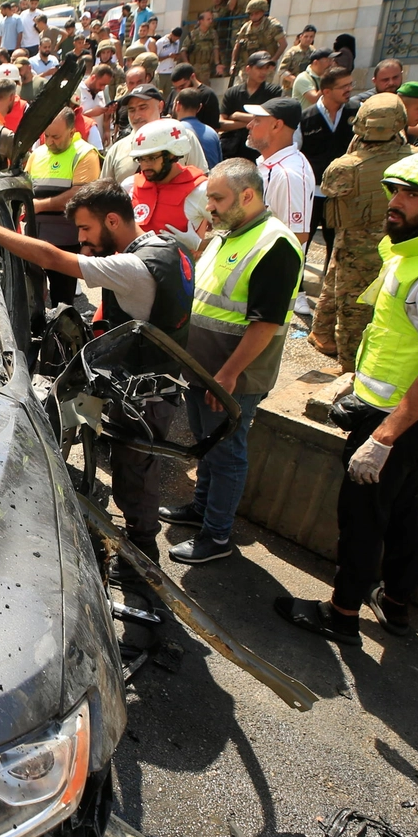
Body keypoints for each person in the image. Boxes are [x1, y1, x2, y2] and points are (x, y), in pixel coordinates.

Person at [276, 152, 418, 642]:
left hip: (400, 421)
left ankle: (342, 615)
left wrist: (384, 437)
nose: (396, 202)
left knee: (363, 520)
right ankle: (395, 603)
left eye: (412, 195)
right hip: (405, 413)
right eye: (396, 190)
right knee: (402, 510)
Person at [0, 180, 191, 560]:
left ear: (112, 220)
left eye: (86, 229)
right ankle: (139, 549)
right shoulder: (165, 246)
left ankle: (142, 564)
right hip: (159, 386)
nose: (81, 238)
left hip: (142, 398)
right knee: (138, 469)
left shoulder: (130, 265)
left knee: (133, 479)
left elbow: (54, 259)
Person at [163, 159, 302, 563]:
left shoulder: (273, 244)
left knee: (226, 454)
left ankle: (217, 536)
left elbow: (266, 323)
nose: (211, 208)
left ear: (247, 195)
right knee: (208, 447)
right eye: (210, 198)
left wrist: (228, 374)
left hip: (230, 376)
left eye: (218, 198)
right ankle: (202, 510)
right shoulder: (229, 233)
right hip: (206, 369)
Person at [308, 94, 418, 370]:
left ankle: (348, 368)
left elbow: (330, 187)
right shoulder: (417, 161)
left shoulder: (345, 166)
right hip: (399, 246)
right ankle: (326, 338)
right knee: (361, 301)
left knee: (351, 307)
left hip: (354, 246)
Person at [25, 108, 102, 308]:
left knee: (62, 300)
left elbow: (80, 194)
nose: (50, 141)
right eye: (47, 135)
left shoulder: (85, 153)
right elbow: (24, 186)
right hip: (34, 236)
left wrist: (39, 206)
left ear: (71, 131)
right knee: (32, 295)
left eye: (56, 137)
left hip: (66, 240)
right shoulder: (38, 153)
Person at [299, 68, 359, 264]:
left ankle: (331, 289)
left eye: (350, 84)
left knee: (338, 246)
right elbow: (297, 153)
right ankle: (298, 289)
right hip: (313, 193)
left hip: (344, 194)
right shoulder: (305, 118)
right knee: (302, 243)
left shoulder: (358, 112)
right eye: (343, 86)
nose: (349, 89)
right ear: (326, 91)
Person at [122, 119, 211, 247]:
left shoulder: (200, 190)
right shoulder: (129, 186)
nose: (145, 165)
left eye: (152, 158)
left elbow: (234, 236)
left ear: (172, 155)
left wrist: (199, 244)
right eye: (141, 159)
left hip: (180, 266)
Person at [101, 85, 209, 183]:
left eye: (143, 107)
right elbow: (104, 193)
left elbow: (201, 182)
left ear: (160, 106)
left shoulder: (183, 137)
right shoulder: (116, 150)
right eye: (131, 110)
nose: (136, 115)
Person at [246, 97, 316, 246]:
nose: (249, 125)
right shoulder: (269, 163)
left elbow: (297, 236)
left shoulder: (289, 175)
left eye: (257, 120)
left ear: (276, 126)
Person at [219, 52, 278, 161]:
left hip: (259, 153)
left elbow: (272, 120)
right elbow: (221, 124)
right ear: (248, 69)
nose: (264, 72)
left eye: (266, 68)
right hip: (232, 152)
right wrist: (253, 121)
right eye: (260, 68)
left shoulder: (274, 92)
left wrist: (237, 115)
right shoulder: (233, 93)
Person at [229, 0, 286, 82]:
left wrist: (273, 61)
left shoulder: (272, 25)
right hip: (248, 67)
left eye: (256, 13)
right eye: (251, 14)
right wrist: (233, 64)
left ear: (263, 12)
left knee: (262, 92)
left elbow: (283, 44)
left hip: (265, 67)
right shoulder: (246, 27)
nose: (253, 17)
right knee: (241, 91)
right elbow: (237, 46)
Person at [174, 88, 222, 168]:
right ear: (199, 108)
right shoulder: (213, 133)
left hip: (189, 179)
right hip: (211, 179)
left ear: (178, 105)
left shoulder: (175, 132)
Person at [168, 63, 220, 129]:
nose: (179, 91)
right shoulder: (174, 93)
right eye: (176, 88)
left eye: (182, 87)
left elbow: (213, 126)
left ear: (192, 77)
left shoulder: (208, 95)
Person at [80, 63, 118, 149]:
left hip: (98, 145)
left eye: (105, 85)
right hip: (82, 146)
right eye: (101, 84)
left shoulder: (101, 92)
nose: (103, 88)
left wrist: (107, 130)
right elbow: (70, 119)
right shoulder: (78, 90)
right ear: (93, 78)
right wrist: (90, 113)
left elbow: (104, 116)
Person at [182, 10, 222, 79]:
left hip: (207, 68)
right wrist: (187, 65)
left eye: (211, 19)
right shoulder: (193, 34)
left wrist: (217, 64)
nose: (211, 21)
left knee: (204, 88)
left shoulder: (213, 34)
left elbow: (215, 49)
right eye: (208, 19)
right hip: (194, 67)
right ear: (201, 21)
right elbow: (183, 51)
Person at [278, 25, 318, 92]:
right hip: (291, 89)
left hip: (308, 89)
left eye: (311, 37)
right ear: (301, 37)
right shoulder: (292, 52)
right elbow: (282, 71)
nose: (308, 39)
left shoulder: (314, 52)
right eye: (306, 36)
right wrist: (296, 80)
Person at [154, 26, 182, 96]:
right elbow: (155, 58)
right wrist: (168, 56)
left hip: (171, 71)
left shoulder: (177, 42)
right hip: (161, 72)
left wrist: (176, 56)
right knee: (159, 94)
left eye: (177, 38)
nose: (176, 40)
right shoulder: (160, 42)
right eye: (175, 37)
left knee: (169, 95)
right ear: (171, 34)